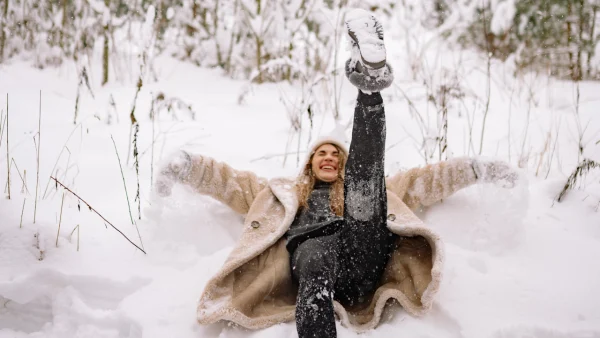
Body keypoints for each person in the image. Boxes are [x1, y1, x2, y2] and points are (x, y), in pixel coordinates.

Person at [155, 9, 520, 338]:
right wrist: (186, 166)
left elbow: (426, 181)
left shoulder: (362, 185)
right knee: (316, 252)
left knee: (365, 189)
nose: (329, 158)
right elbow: (228, 181)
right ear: (310, 163)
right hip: (312, 264)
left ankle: (369, 86)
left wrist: (475, 169)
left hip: (363, 252)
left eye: (336, 155)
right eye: (321, 153)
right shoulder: (281, 193)